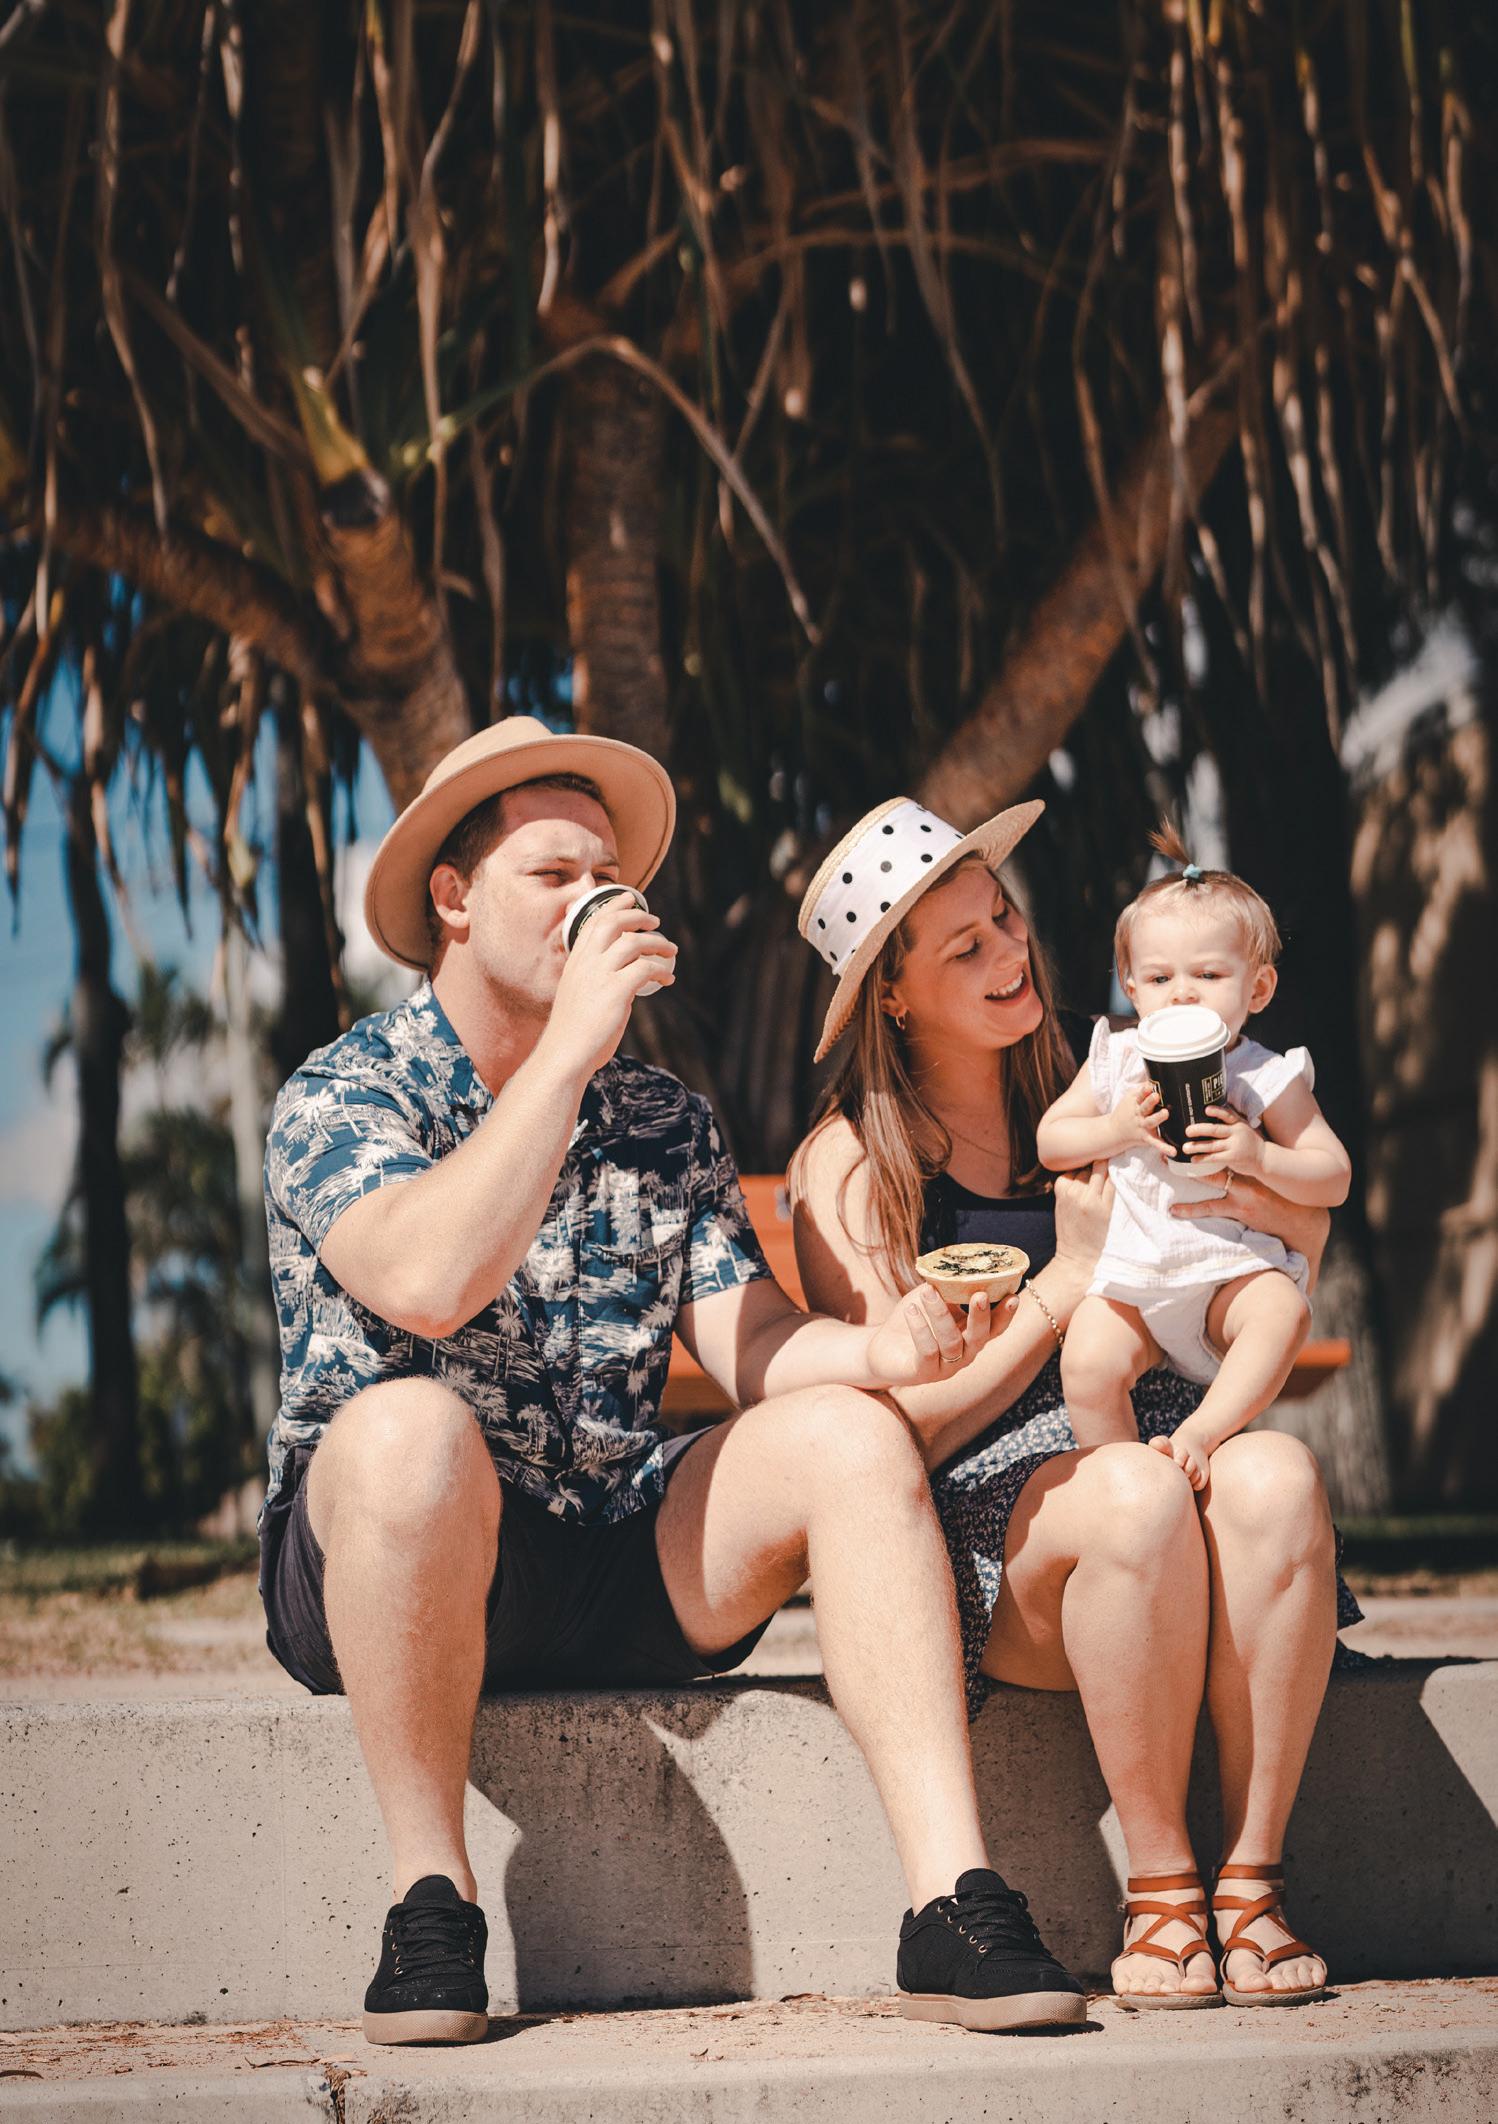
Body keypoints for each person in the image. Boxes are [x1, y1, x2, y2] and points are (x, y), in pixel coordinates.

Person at [258, 717, 1089, 2047]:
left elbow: (750, 1340)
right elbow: (425, 1280)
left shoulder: (660, 1118)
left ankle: (951, 1899)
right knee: (409, 1431)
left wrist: (880, 1353)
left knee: (848, 1433)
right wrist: (566, 1057)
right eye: (553, 873)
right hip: (394, 1559)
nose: (594, 900)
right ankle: (430, 1901)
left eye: (609, 877)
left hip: (613, 1546)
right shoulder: (347, 1092)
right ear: (454, 898)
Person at [791, 796, 1363, 2009]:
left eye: (1004, 918)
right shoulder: (851, 1164)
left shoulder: (1121, 1066)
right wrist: (1065, 1282)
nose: (1010, 953)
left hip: (1172, 1439)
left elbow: (1300, 1222)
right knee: (1131, 1495)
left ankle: (1251, 1884)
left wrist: (1259, 1200)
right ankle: (1160, 1894)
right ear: (892, 997)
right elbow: (884, 1434)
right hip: (1007, 1524)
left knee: (1276, 1477)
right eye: (964, 947)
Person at [1037, 827, 1352, 1490]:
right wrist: (1116, 1128)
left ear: (1257, 989)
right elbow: (1052, 1141)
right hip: (1134, 1276)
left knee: (1283, 1311)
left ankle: (1202, 1434)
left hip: (1226, 1274)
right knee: (1088, 1361)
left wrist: (1259, 1157)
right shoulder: (1118, 1060)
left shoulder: (1262, 1075)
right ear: (1132, 988)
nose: (1182, 993)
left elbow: (1333, 1176)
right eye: (1159, 977)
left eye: (1208, 975)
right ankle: (1123, 1491)